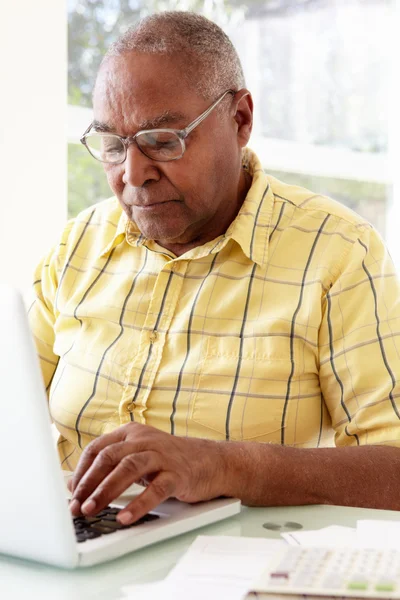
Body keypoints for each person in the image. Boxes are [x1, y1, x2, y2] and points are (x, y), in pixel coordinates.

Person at [29, 11, 400, 526]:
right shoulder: (77, 248)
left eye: (163, 140)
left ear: (241, 119)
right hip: (79, 553)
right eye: (113, 146)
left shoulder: (339, 253)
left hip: (243, 568)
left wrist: (222, 464)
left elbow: (394, 470)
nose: (132, 175)